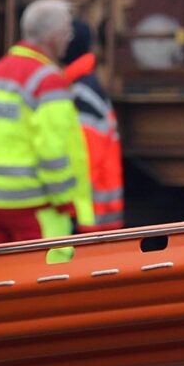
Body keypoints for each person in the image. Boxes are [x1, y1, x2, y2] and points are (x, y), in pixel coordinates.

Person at [0, 0, 90, 247]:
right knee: (47, 278)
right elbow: (52, 150)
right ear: (54, 37)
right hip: (36, 205)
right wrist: (65, 200)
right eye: (67, 33)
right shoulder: (48, 80)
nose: (68, 40)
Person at [62, 17, 124, 232]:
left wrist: (72, 208)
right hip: (97, 212)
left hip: (90, 216)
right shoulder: (82, 86)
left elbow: (87, 159)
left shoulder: (81, 93)